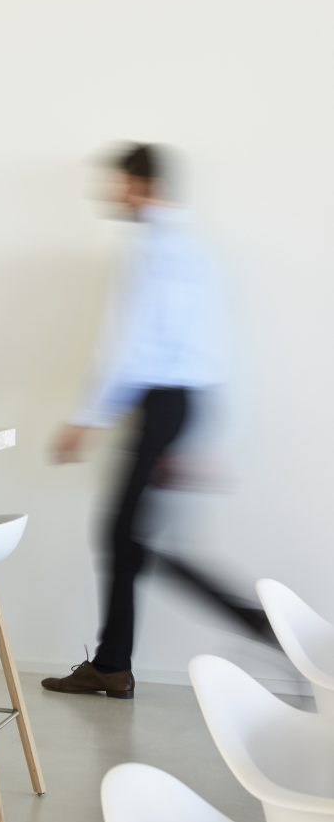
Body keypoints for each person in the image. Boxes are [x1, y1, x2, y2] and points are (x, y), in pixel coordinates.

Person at [42, 143, 271, 700]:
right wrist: (197, 430)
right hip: (182, 404)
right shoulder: (194, 249)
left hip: (163, 403)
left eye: (118, 185)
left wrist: (86, 420)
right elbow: (206, 342)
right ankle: (115, 663)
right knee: (131, 539)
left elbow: (129, 345)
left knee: (126, 537)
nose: (112, 196)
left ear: (139, 185)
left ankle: (252, 628)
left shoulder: (149, 248)